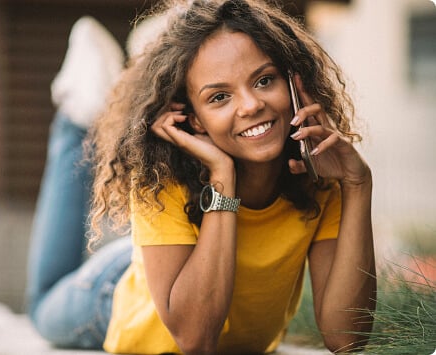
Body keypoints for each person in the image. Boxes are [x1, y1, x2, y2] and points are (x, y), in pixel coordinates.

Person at [27, 0, 377, 354]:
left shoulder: (319, 179)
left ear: (294, 85)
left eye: (264, 80)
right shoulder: (163, 181)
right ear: (193, 120)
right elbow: (195, 339)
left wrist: (358, 185)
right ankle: (76, 118)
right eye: (220, 96)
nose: (251, 105)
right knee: (42, 304)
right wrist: (222, 177)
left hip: (177, 255)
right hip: (121, 290)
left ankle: (143, 59)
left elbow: (346, 339)